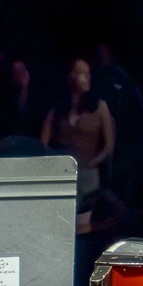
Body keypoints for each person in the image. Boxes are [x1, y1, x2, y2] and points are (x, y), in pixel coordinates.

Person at [40, 57, 117, 232]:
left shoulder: (100, 107)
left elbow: (109, 146)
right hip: (63, 173)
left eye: (88, 73)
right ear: (71, 76)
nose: (87, 77)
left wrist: (92, 162)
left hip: (88, 173)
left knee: (82, 219)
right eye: (81, 73)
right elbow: (43, 143)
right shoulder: (58, 109)